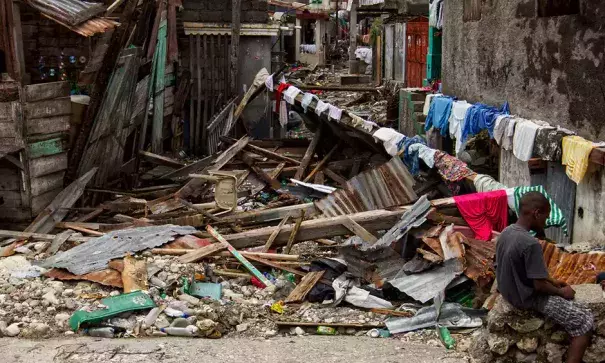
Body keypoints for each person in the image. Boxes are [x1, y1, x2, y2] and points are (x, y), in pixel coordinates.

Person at [496, 192, 593, 363]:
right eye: (545, 217)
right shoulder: (530, 243)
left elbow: (526, 271)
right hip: (526, 299)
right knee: (584, 323)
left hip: (509, 292)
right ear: (536, 213)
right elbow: (539, 286)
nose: (545, 222)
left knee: (579, 310)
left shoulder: (507, 232)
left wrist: (553, 281)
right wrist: (563, 293)